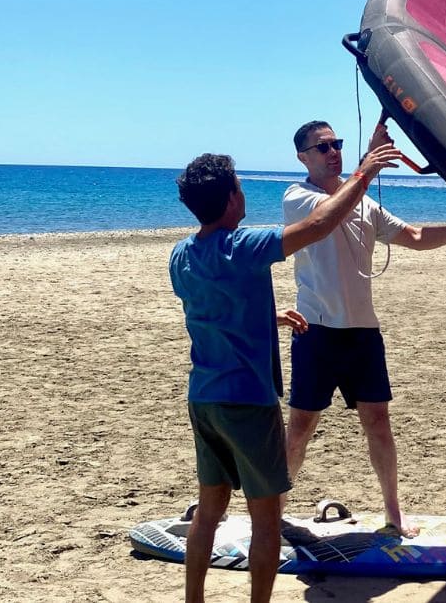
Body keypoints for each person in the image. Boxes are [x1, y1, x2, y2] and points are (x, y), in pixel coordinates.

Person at [170, 148, 399, 603]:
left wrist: (266, 315)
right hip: (248, 402)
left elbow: (211, 309)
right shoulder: (245, 245)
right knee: (266, 520)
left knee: (209, 511)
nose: (243, 193)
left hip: (204, 400)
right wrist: (365, 172)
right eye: (239, 187)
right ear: (232, 199)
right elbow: (318, 226)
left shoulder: (181, 255)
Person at [282, 120, 446, 538]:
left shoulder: (363, 200)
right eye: (322, 148)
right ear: (303, 157)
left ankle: (394, 511)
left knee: (378, 421)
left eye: (336, 144)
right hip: (316, 331)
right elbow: (324, 219)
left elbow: (412, 235)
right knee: (302, 425)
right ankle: (275, 508)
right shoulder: (297, 197)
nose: (332, 151)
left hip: (362, 333)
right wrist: (367, 169)